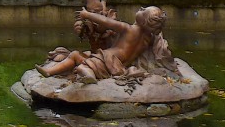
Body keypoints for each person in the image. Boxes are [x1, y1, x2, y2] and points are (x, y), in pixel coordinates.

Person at [35, 6, 172, 84]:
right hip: (119, 66)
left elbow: (107, 22)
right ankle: (87, 72)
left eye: (143, 10)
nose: (140, 8)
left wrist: (87, 14)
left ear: (142, 20)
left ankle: (53, 72)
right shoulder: (148, 39)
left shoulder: (129, 29)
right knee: (87, 55)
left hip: (108, 58)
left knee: (76, 55)